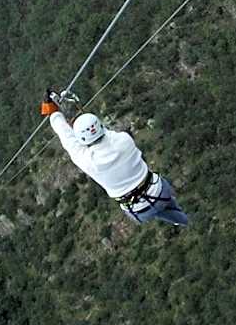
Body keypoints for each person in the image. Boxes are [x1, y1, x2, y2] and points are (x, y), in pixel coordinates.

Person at [39, 91, 189, 225]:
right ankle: (183, 218)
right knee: (165, 201)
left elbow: (66, 137)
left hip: (139, 210)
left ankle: (182, 221)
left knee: (158, 210)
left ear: (82, 139)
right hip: (159, 189)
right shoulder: (124, 140)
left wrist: (53, 113)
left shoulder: (88, 161)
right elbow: (105, 132)